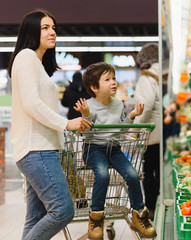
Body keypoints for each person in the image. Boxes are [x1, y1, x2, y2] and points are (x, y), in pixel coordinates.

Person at [8, 9, 92, 240]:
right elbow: (32, 104)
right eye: (45, 27)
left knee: (35, 218)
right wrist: (66, 124)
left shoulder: (36, 63)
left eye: (53, 27)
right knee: (63, 210)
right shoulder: (26, 57)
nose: (52, 32)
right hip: (37, 149)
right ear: (31, 31)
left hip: (42, 148)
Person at [74, 62, 157, 239]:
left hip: (114, 149)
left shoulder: (118, 104)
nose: (113, 82)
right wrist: (86, 115)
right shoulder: (88, 105)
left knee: (133, 174)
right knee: (103, 175)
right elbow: (87, 135)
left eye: (114, 78)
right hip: (94, 149)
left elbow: (120, 130)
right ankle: (96, 218)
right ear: (94, 87)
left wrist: (132, 116)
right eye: (107, 79)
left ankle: (139, 215)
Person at [133, 43, 161, 220]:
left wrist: (135, 128)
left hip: (151, 133)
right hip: (162, 131)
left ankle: (151, 207)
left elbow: (146, 105)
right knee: (158, 170)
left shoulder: (146, 76)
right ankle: (158, 202)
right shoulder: (161, 73)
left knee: (148, 171)